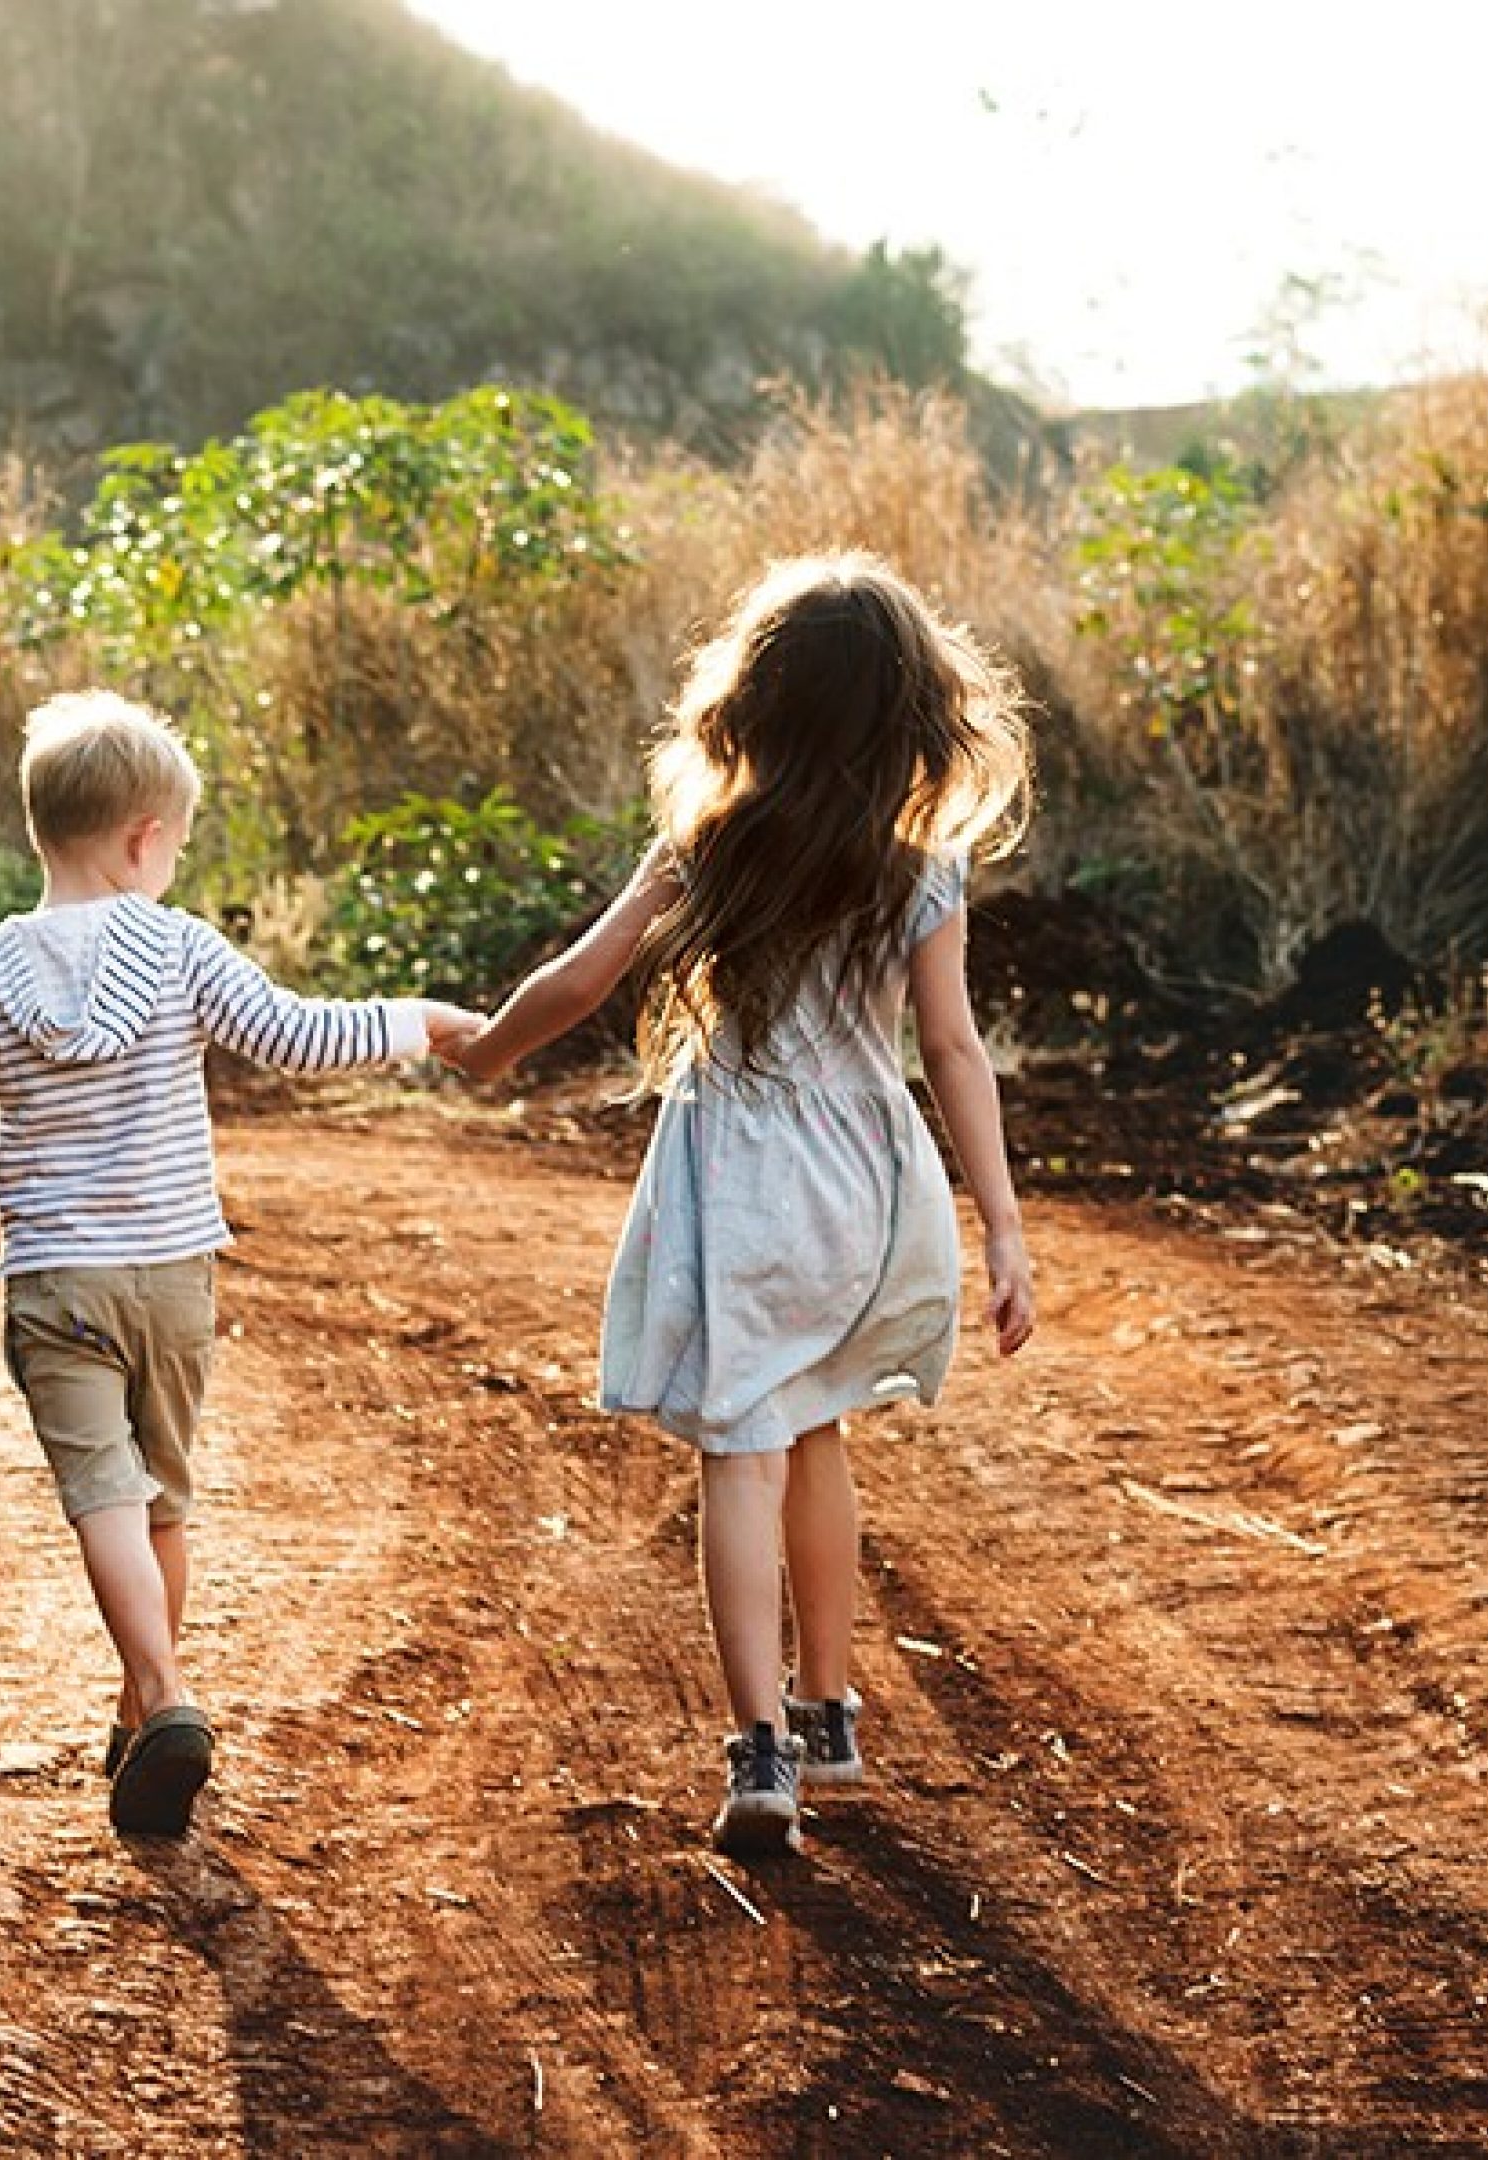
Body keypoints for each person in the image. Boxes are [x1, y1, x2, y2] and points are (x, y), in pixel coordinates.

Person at [441, 554, 1039, 1857]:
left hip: (744, 1182)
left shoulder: (703, 849)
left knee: (741, 1453)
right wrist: (1000, 1222)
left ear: (749, 705)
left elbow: (584, 981)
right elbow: (951, 1052)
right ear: (908, 719)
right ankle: (831, 1720)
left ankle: (756, 1750)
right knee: (816, 1427)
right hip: (863, 1191)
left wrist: (486, 1045)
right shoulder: (917, 870)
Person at [0, 690, 480, 1838]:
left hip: (57, 1287)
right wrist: (420, 1020)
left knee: (101, 1494)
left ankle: (162, 1696)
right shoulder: (181, 949)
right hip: (173, 1280)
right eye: (178, 847)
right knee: (161, 1501)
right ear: (146, 839)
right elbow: (298, 1036)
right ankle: (146, 1701)